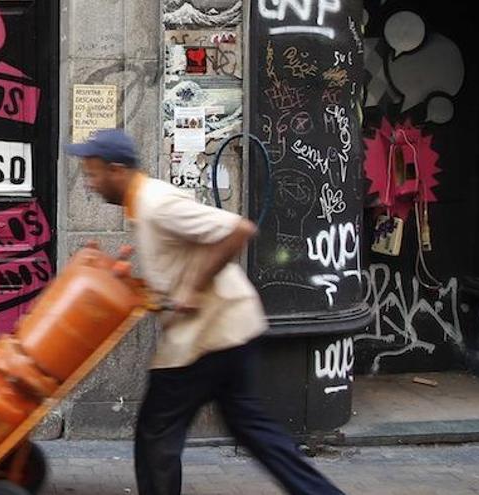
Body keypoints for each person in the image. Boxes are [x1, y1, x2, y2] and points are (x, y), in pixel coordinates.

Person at [66, 129, 345, 495]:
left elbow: (237, 229)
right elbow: (179, 262)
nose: (90, 184)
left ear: (117, 170)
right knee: (252, 428)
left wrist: (194, 287)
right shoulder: (143, 206)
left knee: (157, 434)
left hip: (206, 336)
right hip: (230, 328)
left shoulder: (156, 202)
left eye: (93, 173)